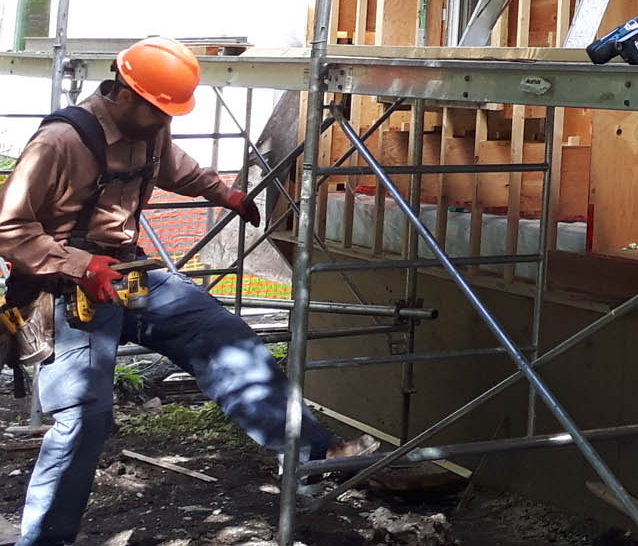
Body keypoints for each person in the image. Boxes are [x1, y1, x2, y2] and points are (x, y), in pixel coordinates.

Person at [0, 37, 373, 544]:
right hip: (66, 288)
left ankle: (313, 454)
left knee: (222, 335)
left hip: (130, 275)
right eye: (155, 109)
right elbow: (11, 229)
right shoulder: (60, 142)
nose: (161, 120)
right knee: (85, 415)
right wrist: (83, 266)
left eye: (166, 113)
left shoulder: (152, 127)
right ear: (124, 90)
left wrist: (226, 193)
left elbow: (175, 166)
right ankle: (43, 539)